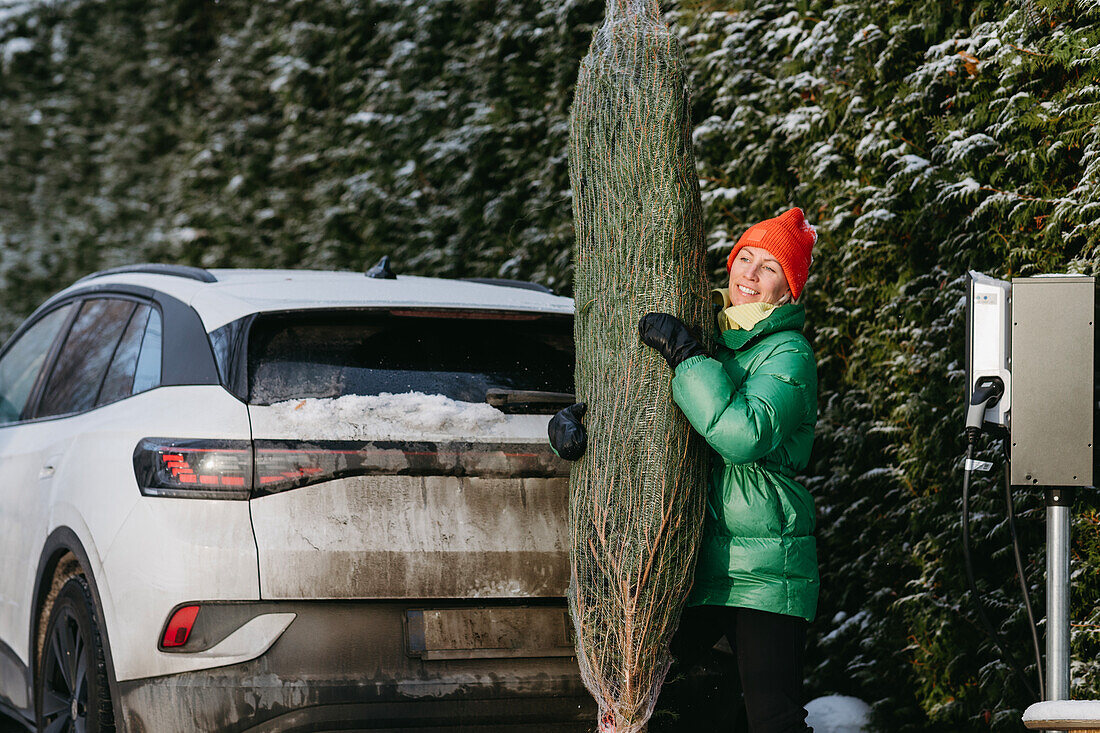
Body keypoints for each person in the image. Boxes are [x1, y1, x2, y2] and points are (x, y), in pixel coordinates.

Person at [550, 207, 819, 733]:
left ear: (787, 291)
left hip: (762, 566)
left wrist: (690, 359)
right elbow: (648, 425)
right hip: (691, 559)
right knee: (649, 696)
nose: (749, 273)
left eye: (769, 268)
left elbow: (742, 435)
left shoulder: (788, 354)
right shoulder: (709, 333)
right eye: (745, 257)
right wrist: (576, 436)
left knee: (774, 719)